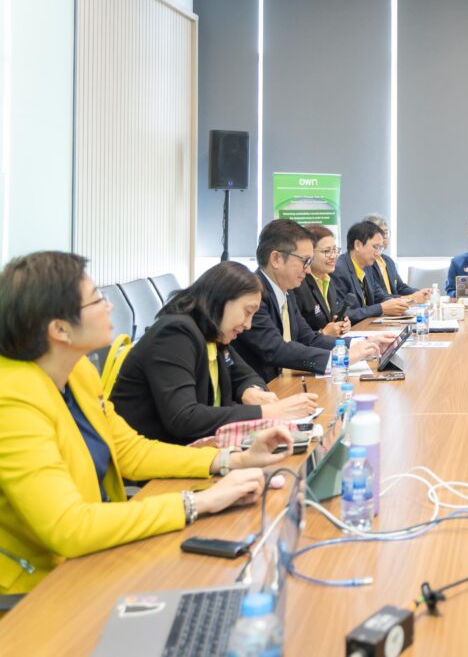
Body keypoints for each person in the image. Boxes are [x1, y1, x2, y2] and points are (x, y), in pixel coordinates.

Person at [0, 251, 294, 595]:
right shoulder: (12, 401)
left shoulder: (78, 373)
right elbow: (68, 526)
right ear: (59, 329)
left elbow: (130, 452)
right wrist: (198, 503)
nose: (109, 306)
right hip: (37, 587)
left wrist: (233, 459)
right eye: (96, 299)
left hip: (95, 556)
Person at [110, 261, 319, 445]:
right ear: (220, 301)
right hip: (154, 462)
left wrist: (251, 391)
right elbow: (184, 418)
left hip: (201, 448)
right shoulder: (175, 334)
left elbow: (245, 375)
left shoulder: (213, 334)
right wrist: (267, 412)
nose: (248, 325)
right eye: (247, 312)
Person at [234, 219, 386, 382]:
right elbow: (277, 350)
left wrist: (363, 343)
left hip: (287, 381)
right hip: (265, 386)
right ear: (276, 259)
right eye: (304, 261)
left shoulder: (286, 291)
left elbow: (309, 338)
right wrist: (341, 359)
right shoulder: (252, 295)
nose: (308, 270)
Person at [333, 220, 412, 324]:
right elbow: (341, 314)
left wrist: (402, 301)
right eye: (375, 247)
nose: (378, 254)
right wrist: (381, 308)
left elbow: (379, 296)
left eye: (380, 248)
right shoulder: (339, 271)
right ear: (357, 245)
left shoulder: (367, 267)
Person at [293, 224, 354, 336]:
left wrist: (341, 324)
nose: (333, 256)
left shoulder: (328, 280)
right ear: (309, 253)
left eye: (335, 250)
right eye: (327, 251)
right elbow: (296, 334)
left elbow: (330, 319)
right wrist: (323, 333)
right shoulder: (298, 285)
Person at [363, 214, 431, 302]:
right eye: (380, 233)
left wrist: (419, 292)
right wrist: (411, 297)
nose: (385, 237)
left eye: (386, 232)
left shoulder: (388, 261)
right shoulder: (367, 262)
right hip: (384, 307)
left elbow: (400, 287)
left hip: (396, 306)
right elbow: (379, 296)